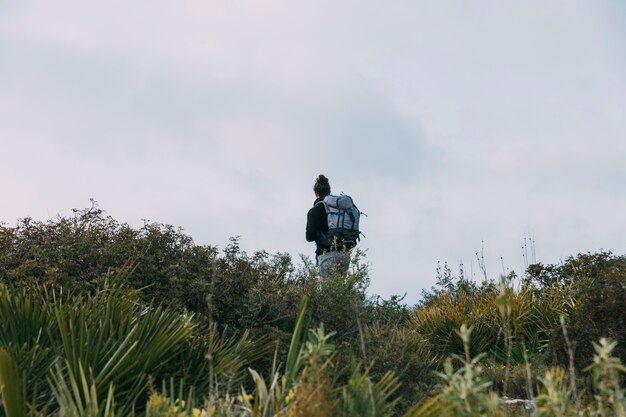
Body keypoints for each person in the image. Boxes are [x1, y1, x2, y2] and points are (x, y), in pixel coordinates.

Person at [306, 174, 350, 277]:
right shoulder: (339, 208)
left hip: (327, 255)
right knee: (340, 290)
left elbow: (309, 237)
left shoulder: (314, 211)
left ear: (315, 193)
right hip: (344, 255)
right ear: (329, 192)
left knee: (328, 291)